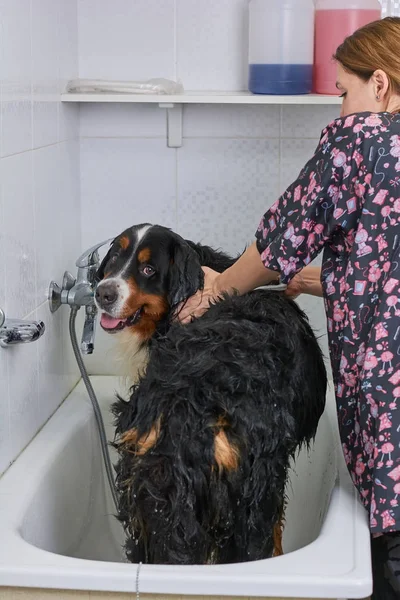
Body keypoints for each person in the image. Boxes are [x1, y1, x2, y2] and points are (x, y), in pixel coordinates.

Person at [177, 17, 400, 599]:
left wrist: (220, 287)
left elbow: (282, 239)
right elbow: (388, 263)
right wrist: (329, 281)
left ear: (379, 84)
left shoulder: (362, 139)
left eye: (344, 91)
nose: (340, 109)